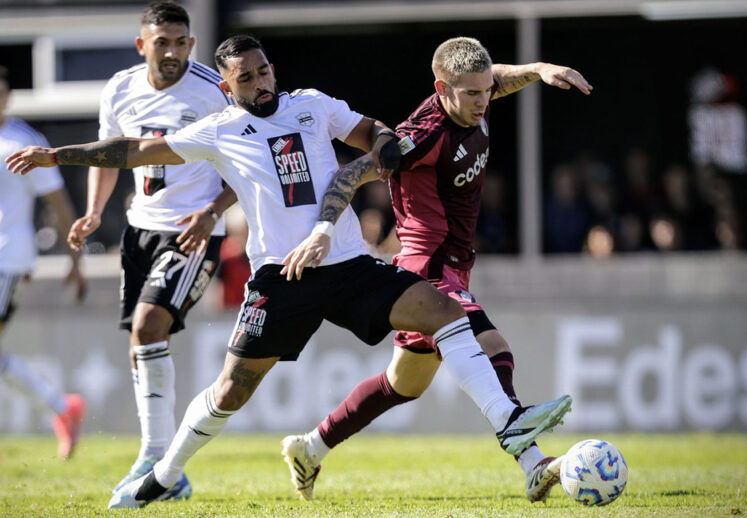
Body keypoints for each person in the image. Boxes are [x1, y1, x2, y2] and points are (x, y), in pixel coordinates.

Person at [6, 35, 571, 509]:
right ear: (226, 87)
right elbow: (134, 150)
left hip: (348, 263)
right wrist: (59, 156)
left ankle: (509, 424)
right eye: (246, 78)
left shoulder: (313, 105)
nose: (261, 84)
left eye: (264, 71)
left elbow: (371, 132)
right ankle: (162, 475)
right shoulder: (218, 130)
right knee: (231, 391)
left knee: (446, 313)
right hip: (283, 277)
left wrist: (384, 144)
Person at [280, 37, 591, 503]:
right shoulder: (420, 137)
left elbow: (497, 79)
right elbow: (349, 175)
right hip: (427, 268)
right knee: (493, 346)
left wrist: (539, 68)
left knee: (401, 385)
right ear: (442, 89)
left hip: (456, 266)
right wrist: (323, 230)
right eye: (473, 93)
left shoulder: (475, 99)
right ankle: (528, 455)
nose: (484, 101)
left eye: (486, 91)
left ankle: (309, 449)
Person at [64, 1, 236, 500]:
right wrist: (94, 213)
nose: (173, 52)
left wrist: (212, 213)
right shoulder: (119, 89)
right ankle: (165, 468)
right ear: (142, 45)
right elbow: (107, 155)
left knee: (148, 327)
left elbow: (246, 160)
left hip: (193, 231)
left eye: (182, 42)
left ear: (192, 44)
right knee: (140, 343)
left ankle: (157, 459)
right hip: (140, 229)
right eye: (163, 43)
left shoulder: (214, 90)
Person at [0, 65, 87, 459]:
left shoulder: (22, 142)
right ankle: (62, 407)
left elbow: (59, 202)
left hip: (8, 257)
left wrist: (75, 261)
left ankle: (61, 407)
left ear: (7, 97)